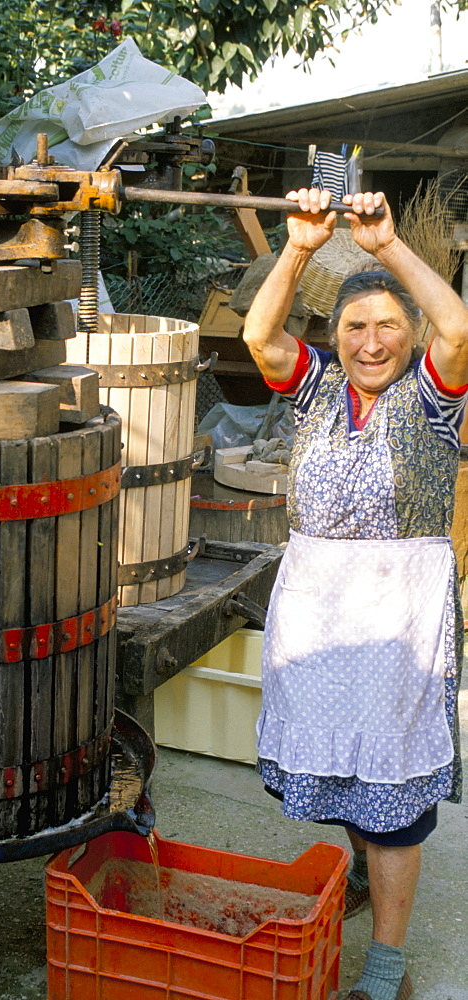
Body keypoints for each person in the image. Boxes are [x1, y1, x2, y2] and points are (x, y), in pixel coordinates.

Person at [241, 188, 468, 1000]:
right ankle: (366, 873)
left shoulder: (436, 399)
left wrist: (387, 248)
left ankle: (387, 965)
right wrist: (299, 248)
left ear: (408, 336)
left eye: (387, 326)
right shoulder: (316, 391)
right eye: (355, 328)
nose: (371, 343)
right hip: (320, 606)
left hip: (400, 616)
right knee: (341, 764)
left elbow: (462, 329)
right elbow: (259, 335)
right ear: (336, 339)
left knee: (395, 791)